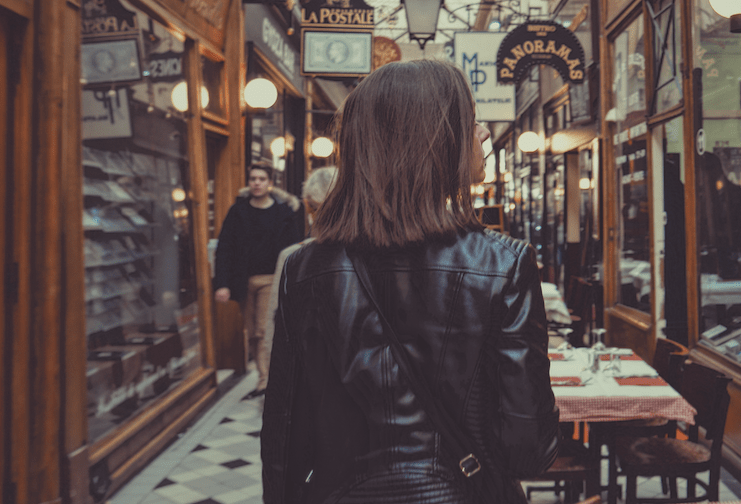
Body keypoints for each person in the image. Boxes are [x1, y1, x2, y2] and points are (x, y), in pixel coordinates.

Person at [262, 59, 559, 504]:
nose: (482, 134)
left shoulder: (304, 270)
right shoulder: (504, 265)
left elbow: (285, 437)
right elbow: (529, 450)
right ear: (437, 142)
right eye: (471, 121)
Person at [213, 163, 301, 399]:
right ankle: (265, 377)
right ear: (248, 182)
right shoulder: (238, 211)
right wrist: (221, 283)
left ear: (270, 183)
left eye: (262, 178)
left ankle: (266, 382)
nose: (257, 183)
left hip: (271, 279)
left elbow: (295, 249)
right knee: (252, 332)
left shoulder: (283, 213)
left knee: (264, 329)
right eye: (253, 178)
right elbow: (224, 248)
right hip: (243, 281)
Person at [258, 166, 339, 386]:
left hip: (308, 380)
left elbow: (275, 328)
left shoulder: (292, 258)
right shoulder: (372, 254)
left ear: (308, 206)